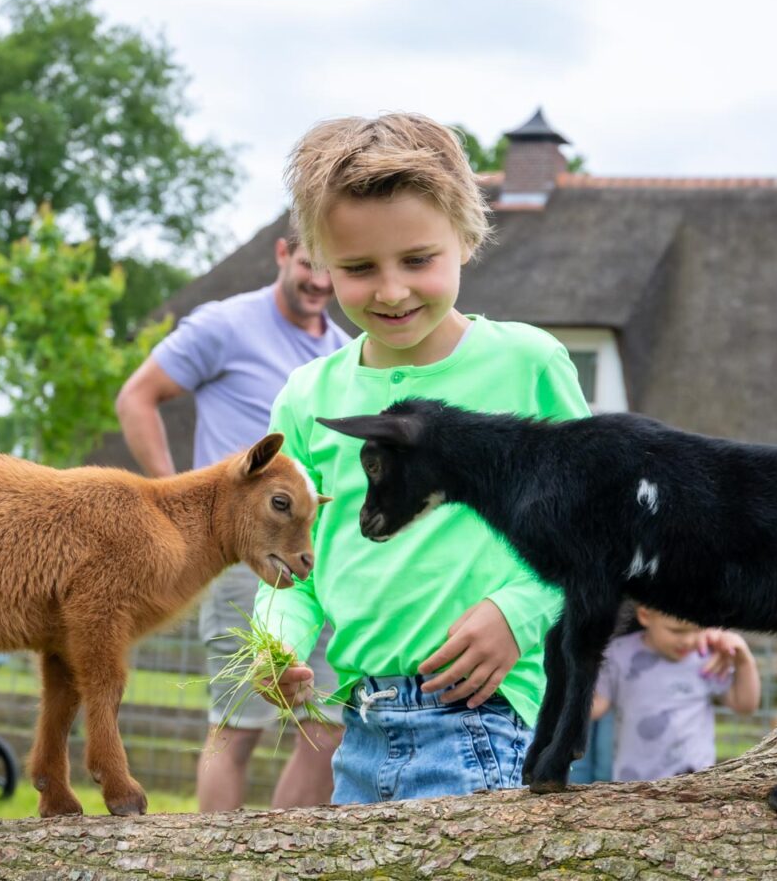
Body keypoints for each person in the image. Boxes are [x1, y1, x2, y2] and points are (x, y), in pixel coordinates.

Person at [252, 112, 591, 804]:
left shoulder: (528, 365)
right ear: (317, 260)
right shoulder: (307, 399)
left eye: (417, 260)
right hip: (360, 728)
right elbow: (291, 569)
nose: (392, 290)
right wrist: (276, 644)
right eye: (358, 268)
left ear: (465, 239)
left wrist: (518, 614)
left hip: (486, 719)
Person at [115, 235, 349, 811]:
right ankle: (209, 865)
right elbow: (136, 398)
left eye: (331, 269)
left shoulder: (345, 352)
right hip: (248, 560)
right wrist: (176, 501)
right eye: (307, 265)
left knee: (326, 725)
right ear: (281, 254)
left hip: (318, 561)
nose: (319, 281)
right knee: (240, 725)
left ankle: (286, 863)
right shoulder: (225, 325)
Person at [590, 605, 761, 782]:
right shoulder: (619, 653)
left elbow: (745, 705)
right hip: (635, 782)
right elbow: (596, 707)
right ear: (645, 615)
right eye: (676, 631)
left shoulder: (705, 656)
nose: (688, 640)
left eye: (697, 629)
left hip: (694, 779)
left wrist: (744, 662)